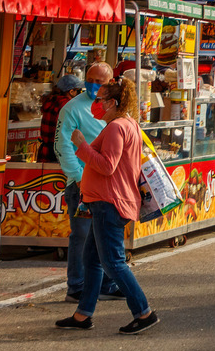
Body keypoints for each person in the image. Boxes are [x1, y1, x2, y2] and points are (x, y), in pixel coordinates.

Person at [56, 78, 158, 334]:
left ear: (112, 102)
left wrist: (81, 145)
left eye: (101, 100)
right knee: (92, 259)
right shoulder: (127, 124)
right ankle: (83, 314)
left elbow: (106, 166)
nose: (96, 104)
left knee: (113, 262)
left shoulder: (116, 128)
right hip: (107, 201)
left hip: (109, 203)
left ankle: (143, 312)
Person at [56, 62, 119, 303]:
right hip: (81, 184)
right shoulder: (72, 109)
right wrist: (78, 178)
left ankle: (105, 283)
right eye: (90, 79)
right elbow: (62, 146)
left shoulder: (113, 108)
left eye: (100, 81)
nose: (94, 85)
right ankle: (77, 286)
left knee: (105, 235)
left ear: (110, 83)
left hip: (107, 182)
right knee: (82, 235)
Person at [38, 75, 80, 164]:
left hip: (45, 151)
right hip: (59, 153)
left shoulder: (50, 101)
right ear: (71, 91)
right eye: (78, 91)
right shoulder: (67, 105)